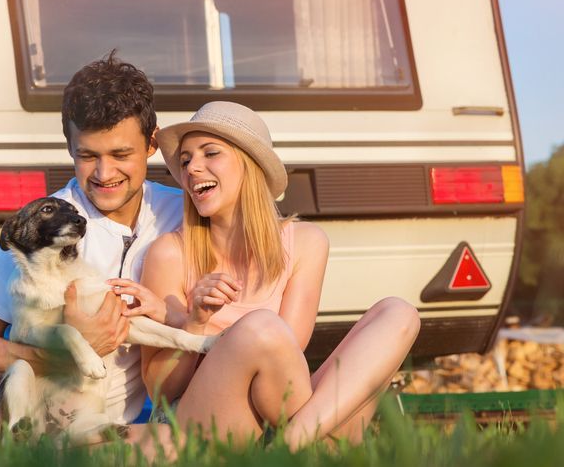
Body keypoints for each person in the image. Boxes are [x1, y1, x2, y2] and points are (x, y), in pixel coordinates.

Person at [110, 101, 421, 450]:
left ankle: (294, 448)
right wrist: (194, 322)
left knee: (398, 312)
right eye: (185, 161)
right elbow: (161, 391)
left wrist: (175, 317)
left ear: (251, 164)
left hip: (287, 414)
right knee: (263, 328)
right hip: (200, 415)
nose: (193, 168)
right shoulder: (170, 252)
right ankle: (317, 451)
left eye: (210, 153)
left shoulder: (305, 243)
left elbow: (287, 357)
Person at [0, 52, 182, 450]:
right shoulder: (42, 225)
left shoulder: (180, 212)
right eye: (87, 156)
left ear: (152, 143)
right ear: (69, 147)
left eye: (120, 154)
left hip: (97, 413)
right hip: (6, 388)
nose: (104, 174)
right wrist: (62, 352)